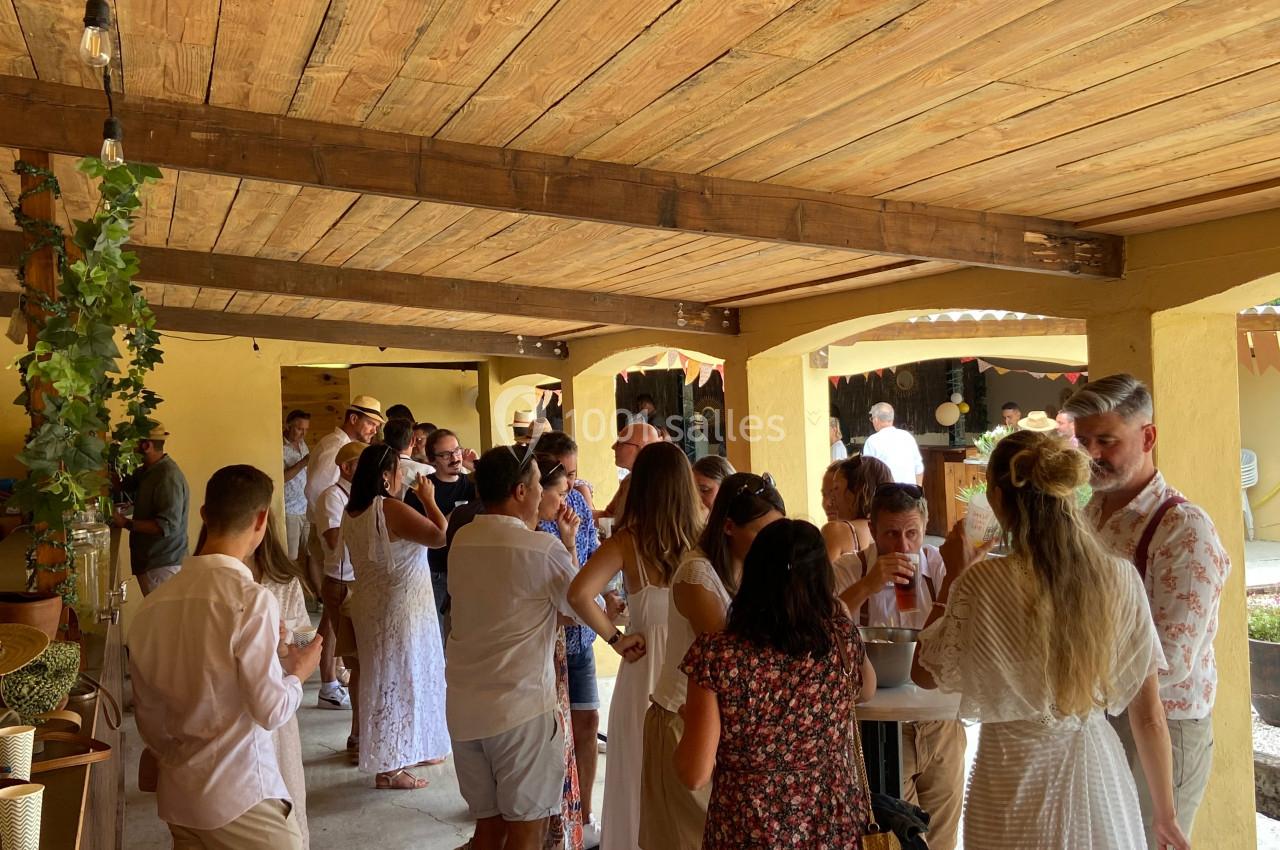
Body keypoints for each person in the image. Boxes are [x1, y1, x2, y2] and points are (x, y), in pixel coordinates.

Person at [913, 430, 1191, 850]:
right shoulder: (1119, 579)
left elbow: (924, 671)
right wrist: (1166, 815)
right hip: (1096, 773)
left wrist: (954, 575)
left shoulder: (981, 584)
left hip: (1009, 778)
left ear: (999, 500)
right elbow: (1149, 714)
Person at [1065, 373, 1228, 845]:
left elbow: (1171, 660)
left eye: (1107, 441)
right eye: (1084, 441)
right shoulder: (1089, 512)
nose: (1092, 454)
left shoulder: (1183, 528)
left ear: (1148, 436)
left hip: (1166, 725)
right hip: (1103, 713)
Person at [449, 448, 635, 850]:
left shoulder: (463, 537)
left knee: (488, 828)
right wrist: (617, 630)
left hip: (464, 708)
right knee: (526, 831)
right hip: (520, 710)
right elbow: (581, 605)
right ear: (520, 491)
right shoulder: (538, 549)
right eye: (537, 486)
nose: (545, 494)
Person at [128, 465, 321, 849]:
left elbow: (150, 722)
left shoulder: (152, 606)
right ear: (262, 519)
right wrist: (298, 674)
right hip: (242, 796)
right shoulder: (250, 600)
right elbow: (269, 710)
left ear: (203, 514)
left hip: (181, 798)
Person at [675, 519, 877, 849]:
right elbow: (865, 689)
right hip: (833, 827)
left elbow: (693, 773)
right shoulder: (841, 639)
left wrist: (689, 723)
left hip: (750, 827)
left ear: (753, 575)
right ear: (822, 578)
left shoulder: (717, 655)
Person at [640, 472, 784, 850]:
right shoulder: (696, 574)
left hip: (727, 725)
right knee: (693, 840)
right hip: (684, 721)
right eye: (762, 533)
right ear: (729, 527)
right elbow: (736, 659)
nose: (772, 544)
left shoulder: (751, 570)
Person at [569, 442, 702, 850]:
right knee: (693, 778)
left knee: (636, 773)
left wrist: (616, 639)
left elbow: (578, 594)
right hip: (696, 673)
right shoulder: (706, 537)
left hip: (644, 670)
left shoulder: (628, 542)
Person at [835, 482, 964, 850]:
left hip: (938, 717)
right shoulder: (850, 567)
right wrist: (868, 584)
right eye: (891, 534)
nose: (903, 546)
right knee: (896, 837)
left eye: (912, 533)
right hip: (878, 724)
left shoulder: (939, 565)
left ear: (925, 528)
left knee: (942, 836)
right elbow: (823, 622)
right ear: (873, 531)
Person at [342, 444, 450, 789]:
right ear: (386, 477)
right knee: (400, 679)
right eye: (399, 471)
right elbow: (439, 536)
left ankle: (411, 747)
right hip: (400, 607)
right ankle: (390, 768)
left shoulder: (352, 510)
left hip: (374, 603)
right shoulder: (388, 507)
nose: (404, 477)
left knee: (394, 676)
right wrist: (430, 500)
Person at [534, 432, 607, 846]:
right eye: (564, 483)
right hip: (550, 641)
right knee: (551, 732)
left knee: (588, 720)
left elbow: (589, 559)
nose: (573, 491)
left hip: (582, 636)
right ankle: (551, 815)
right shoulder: (531, 523)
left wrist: (607, 593)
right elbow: (564, 585)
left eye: (574, 477)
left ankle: (584, 813)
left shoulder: (577, 501)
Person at [242, 512, 312, 849]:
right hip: (236, 704)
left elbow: (306, 641)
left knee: (282, 792)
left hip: (278, 699)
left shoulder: (283, 582)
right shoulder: (223, 582)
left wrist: (286, 640)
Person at [533, 455, 587, 850]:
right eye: (562, 491)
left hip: (548, 654)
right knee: (548, 743)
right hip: (540, 660)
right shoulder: (539, 543)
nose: (567, 501)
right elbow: (572, 606)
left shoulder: (545, 536)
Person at [304, 395, 385, 602]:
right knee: (337, 596)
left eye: (376, 426)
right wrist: (326, 520)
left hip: (334, 525)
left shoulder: (345, 445)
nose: (373, 430)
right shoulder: (336, 447)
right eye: (370, 423)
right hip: (330, 528)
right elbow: (315, 489)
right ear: (353, 419)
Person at [313, 441, 367, 727]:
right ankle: (329, 686)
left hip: (359, 578)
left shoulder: (361, 496)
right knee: (342, 641)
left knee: (333, 633)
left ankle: (330, 684)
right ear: (346, 468)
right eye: (362, 463)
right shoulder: (332, 496)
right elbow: (334, 539)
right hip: (341, 579)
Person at [113, 422, 190, 596]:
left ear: (146, 446)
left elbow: (166, 526)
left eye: (132, 444)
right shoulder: (149, 471)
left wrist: (125, 522)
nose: (130, 449)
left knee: (165, 621)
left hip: (164, 565)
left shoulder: (167, 476)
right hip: (153, 563)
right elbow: (124, 485)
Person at [418, 428, 479, 634]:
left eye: (457, 451)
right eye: (446, 455)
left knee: (470, 630)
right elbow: (424, 537)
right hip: (436, 571)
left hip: (471, 569)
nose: (454, 458)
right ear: (432, 459)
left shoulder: (473, 486)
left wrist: (474, 466)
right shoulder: (422, 491)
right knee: (438, 631)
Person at [821, 455, 893, 566]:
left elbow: (823, 582)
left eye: (836, 489)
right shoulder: (889, 531)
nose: (832, 498)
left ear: (857, 491)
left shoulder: (836, 531)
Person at [602, 422, 662, 517]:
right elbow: (609, 517)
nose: (613, 447)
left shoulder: (660, 483)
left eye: (620, 443)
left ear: (640, 447)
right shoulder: (629, 480)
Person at [862, 402, 924, 485]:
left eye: (872, 418)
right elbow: (919, 468)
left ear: (876, 420)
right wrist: (918, 491)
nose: (872, 421)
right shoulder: (907, 437)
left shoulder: (872, 441)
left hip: (886, 493)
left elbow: (868, 472)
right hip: (910, 493)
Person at [282, 409, 311, 579]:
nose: (303, 434)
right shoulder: (278, 446)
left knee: (311, 554)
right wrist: (303, 463)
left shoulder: (302, 444)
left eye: (306, 430)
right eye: (299, 429)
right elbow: (281, 477)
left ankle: (315, 596)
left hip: (306, 507)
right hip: (290, 510)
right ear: (288, 425)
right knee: (290, 558)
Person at [383, 418, 433, 494]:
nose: (416, 445)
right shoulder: (428, 471)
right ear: (412, 441)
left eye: (419, 440)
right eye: (415, 440)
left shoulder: (373, 463)